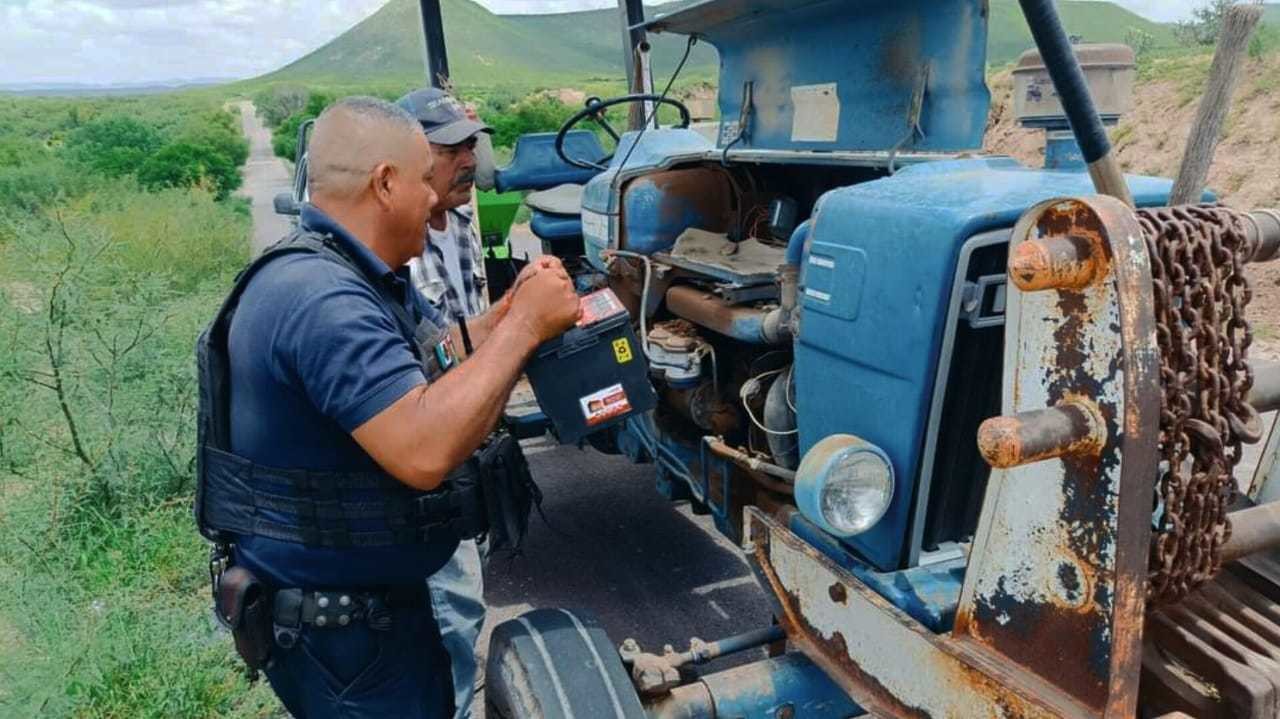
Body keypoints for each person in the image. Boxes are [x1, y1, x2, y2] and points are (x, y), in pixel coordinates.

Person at [199, 96, 580, 718]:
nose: (435, 202)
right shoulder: (322, 301)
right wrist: (525, 330)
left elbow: (423, 373)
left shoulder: (344, 273)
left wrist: (505, 317)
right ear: (385, 184)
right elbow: (423, 447)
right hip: (348, 648)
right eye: (424, 182)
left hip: (364, 623)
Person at [394, 86, 497, 719]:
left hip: (462, 435)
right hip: (428, 443)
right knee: (448, 611)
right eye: (450, 146)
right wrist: (516, 332)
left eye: (471, 143)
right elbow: (435, 359)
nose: (469, 158)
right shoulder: (388, 244)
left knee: (463, 597)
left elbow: (467, 317)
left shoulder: (460, 218)